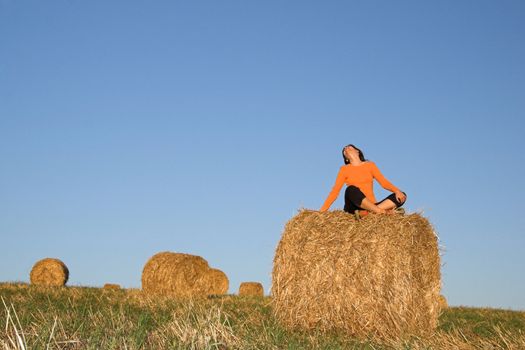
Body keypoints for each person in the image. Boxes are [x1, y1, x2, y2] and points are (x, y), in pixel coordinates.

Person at [320, 144, 406, 217]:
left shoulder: (370, 165)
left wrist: (397, 191)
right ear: (346, 158)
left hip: (371, 205)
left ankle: (369, 212)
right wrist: (322, 212)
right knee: (351, 189)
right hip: (354, 207)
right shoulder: (344, 169)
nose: (346, 148)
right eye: (344, 150)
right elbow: (335, 191)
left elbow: (383, 182)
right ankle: (381, 212)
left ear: (357, 151)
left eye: (349, 147)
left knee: (402, 195)